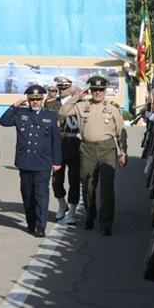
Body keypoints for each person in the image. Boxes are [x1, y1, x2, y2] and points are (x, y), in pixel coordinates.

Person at [58, 75, 127, 236]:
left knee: (107, 187)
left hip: (107, 148)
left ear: (105, 91)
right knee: (87, 185)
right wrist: (76, 97)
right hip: (87, 149)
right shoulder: (82, 106)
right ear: (90, 90)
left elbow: (120, 132)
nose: (98, 93)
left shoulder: (112, 108)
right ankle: (90, 215)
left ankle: (106, 223)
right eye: (94, 90)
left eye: (101, 90)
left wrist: (122, 152)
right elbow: (63, 112)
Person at [0, 84, 61, 237]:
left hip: (43, 161)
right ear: (28, 100)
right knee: (27, 194)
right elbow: (4, 121)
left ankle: (41, 226)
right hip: (25, 161)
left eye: (38, 99)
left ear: (42, 99)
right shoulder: (20, 113)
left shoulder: (51, 116)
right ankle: (31, 222)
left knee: (41, 194)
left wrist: (57, 161)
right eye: (32, 99)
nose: (35, 102)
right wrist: (14, 106)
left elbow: (56, 141)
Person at [52, 75, 83, 224]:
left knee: (74, 179)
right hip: (57, 144)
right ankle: (61, 203)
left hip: (75, 142)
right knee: (56, 179)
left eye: (65, 87)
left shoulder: (80, 103)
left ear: (71, 87)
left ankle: (72, 210)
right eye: (60, 87)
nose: (62, 90)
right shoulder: (51, 104)